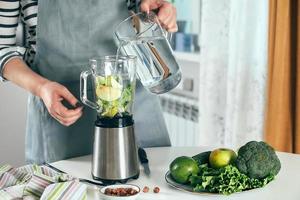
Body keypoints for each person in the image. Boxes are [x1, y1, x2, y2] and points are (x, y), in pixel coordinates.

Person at [0, 0, 178, 164]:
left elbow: (144, 6)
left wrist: (160, 8)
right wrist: (41, 87)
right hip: (61, 111)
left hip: (133, 102)